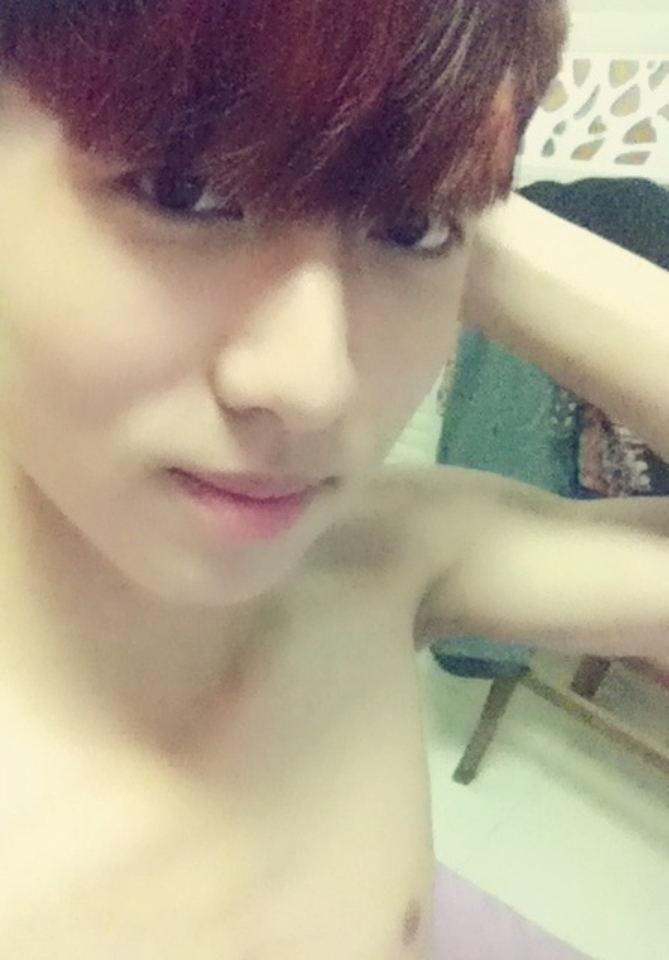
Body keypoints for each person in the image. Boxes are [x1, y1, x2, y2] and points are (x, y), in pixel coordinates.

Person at [0, 1, 668, 957]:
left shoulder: (376, 562)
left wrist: (455, 186)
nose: (315, 384)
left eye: (410, 230)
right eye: (183, 192)